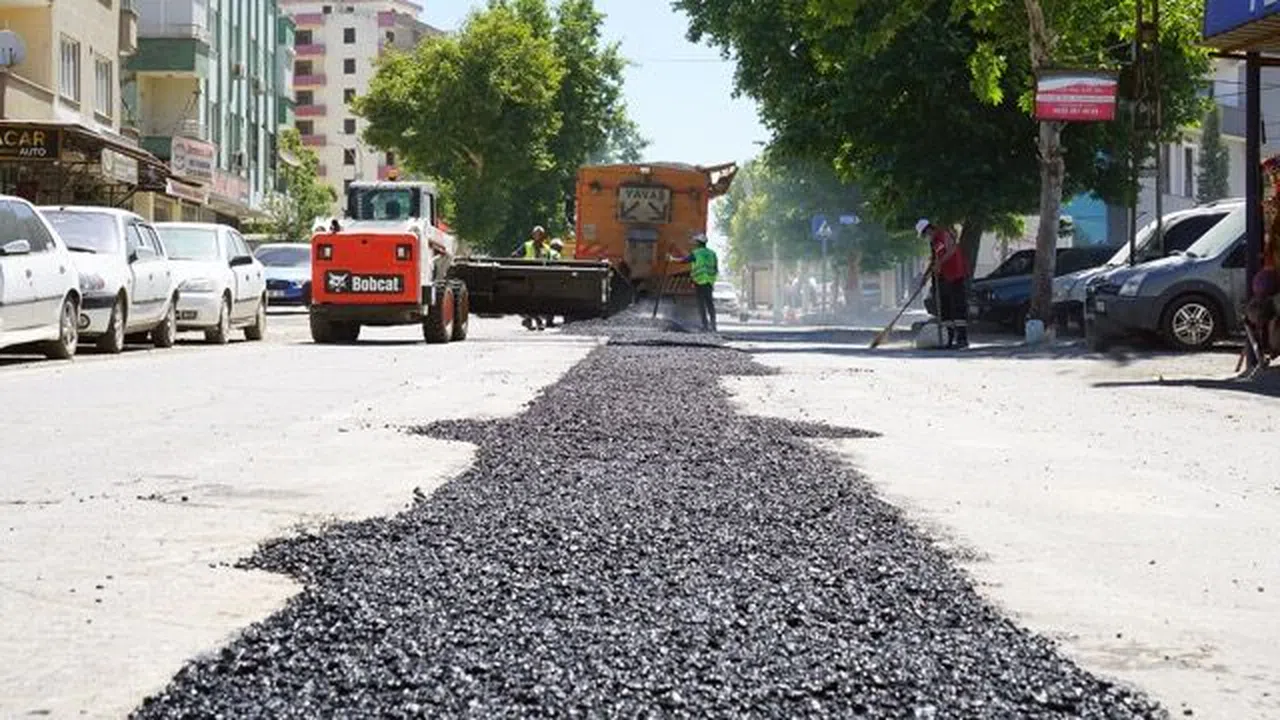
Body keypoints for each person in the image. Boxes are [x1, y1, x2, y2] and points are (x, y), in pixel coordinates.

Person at [917, 218, 969, 349]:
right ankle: (948, 338)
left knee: (958, 307)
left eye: (924, 234)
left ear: (929, 229)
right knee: (945, 309)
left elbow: (951, 250)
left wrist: (940, 263)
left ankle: (962, 339)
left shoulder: (943, 234)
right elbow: (934, 259)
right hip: (943, 277)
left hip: (955, 274)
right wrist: (925, 276)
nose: (925, 237)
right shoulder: (933, 243)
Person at [668, 233, 719, 332]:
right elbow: (716, 268)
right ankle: (713, 326)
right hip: (709, 282)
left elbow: (684, 260)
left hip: (699, 282)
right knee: (710, 305)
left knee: (701, 305)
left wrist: (672, 259)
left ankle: (705, 326)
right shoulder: (712, 253)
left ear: (698, 243)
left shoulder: (696, 253)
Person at [512, 226, 552, 330]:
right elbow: (515, 255)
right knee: (528, 299)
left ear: (543, 236)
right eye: (536, 234)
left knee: (536, 300)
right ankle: (535, 320)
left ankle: (530, 320)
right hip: (527, 277)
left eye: (540, 235)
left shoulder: (547, 248)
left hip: (540, 277)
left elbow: (550, 263)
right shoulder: (527, 245)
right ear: (533, 235)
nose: (538, 237)